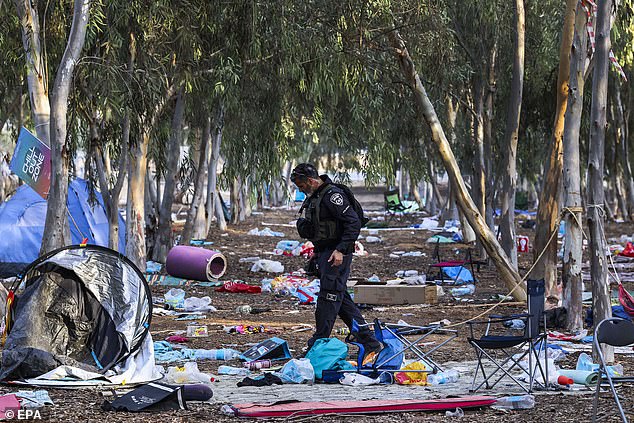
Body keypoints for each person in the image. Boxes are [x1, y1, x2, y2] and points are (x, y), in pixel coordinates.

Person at [291, 163, 382, 360]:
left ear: (311, 180)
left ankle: (318, 342)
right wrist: (317, 253)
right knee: (339, 298)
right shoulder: (315, 196)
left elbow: (353, 222)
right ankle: (369, 341)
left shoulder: (333, 195)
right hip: (325, 253)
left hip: (337, 255)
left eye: (301, 185)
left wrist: (340, 250)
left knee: (328, 298)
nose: (300, 189)